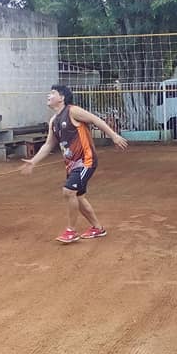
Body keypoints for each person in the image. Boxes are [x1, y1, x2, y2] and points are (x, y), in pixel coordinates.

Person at [20, 84, 128, 244]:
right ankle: (97, 228)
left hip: (86, 161)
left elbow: (94, 119)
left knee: (68, 191)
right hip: (72, 165)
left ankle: (71, 231)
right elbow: (49, 144)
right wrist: (33, 161)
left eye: (52, 93)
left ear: (62, 98)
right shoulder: (53, 121)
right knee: (78, 196)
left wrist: (113, 136)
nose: (48, 96)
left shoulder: (72, 111)